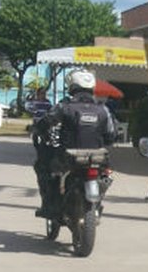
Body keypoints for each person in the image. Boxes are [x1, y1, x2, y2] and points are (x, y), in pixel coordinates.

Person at [33, 68, 116, 219]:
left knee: (43, 168)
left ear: (72, 87)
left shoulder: (64, 107)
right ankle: (97, 204)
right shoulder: (104, 110)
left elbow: (45, 123)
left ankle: (48, 206)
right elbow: (111, 135)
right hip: (97, 158)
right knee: (105, 177)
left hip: (67, 157)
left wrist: (39, 130)